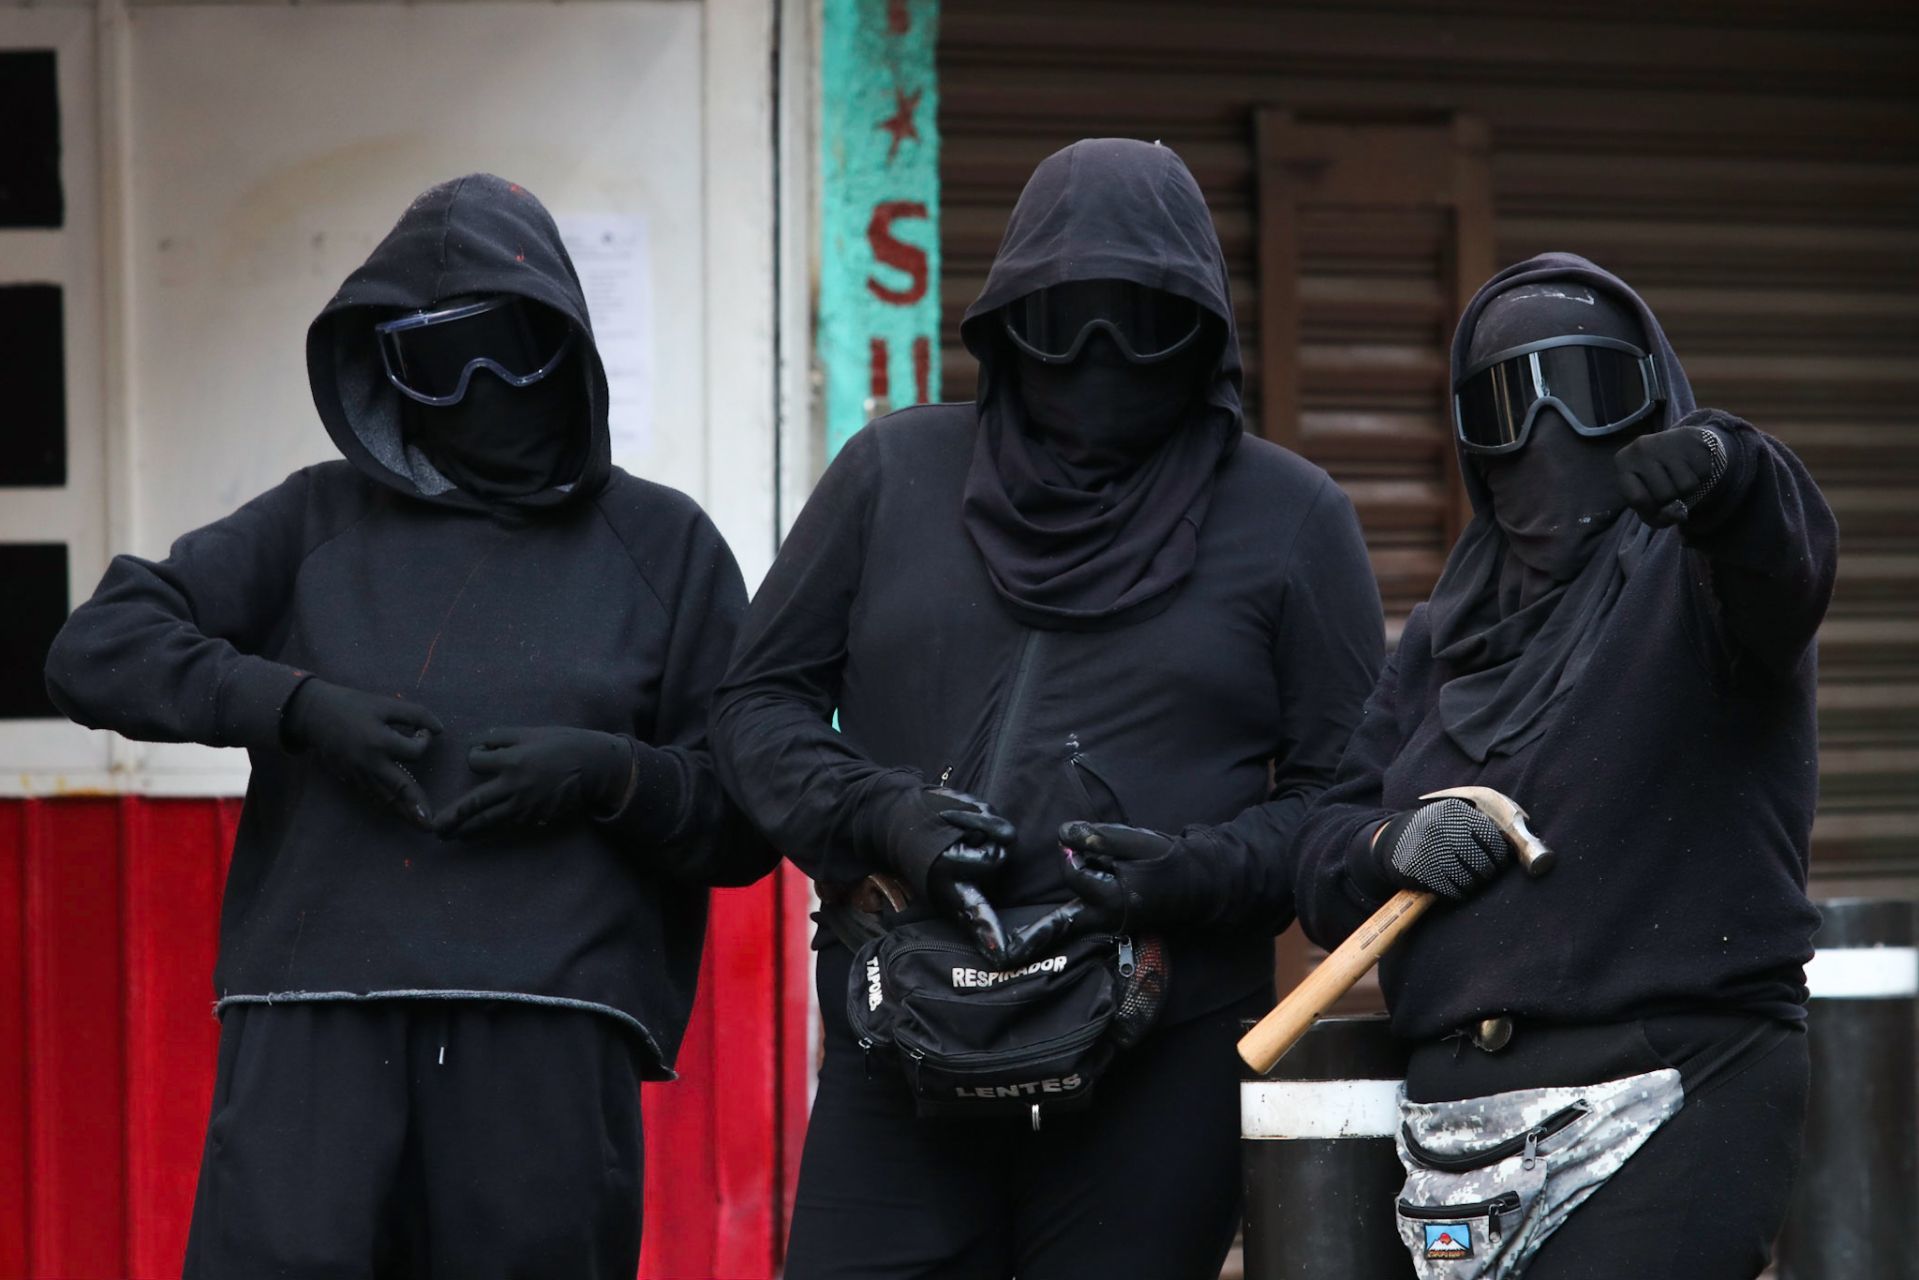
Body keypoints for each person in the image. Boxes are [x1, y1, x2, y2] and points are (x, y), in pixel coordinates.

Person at [44, 173, 773, 1279]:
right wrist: (294, 707)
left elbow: (743, 813)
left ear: (564, 346)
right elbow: (93, 647)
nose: (479, 386)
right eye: (437, 358)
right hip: (312, 1025)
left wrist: (609, 776)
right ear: (383, 370)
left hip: (546, 1034)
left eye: (505, 347)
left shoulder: (662, 547)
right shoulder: (311, 520)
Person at [711, 138, 1384, 1279]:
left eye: (1140, 322)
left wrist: (1193, 868)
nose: (1099, 359)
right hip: (905, 1042)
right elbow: (753, 706)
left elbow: (1352, 798)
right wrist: (880, 814)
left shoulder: (1289, 516)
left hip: (1156, 1059)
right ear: (1006, 321)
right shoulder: (891, 475)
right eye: (1064, 319)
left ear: (1201, 333)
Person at [1291, 253, 1835, 1279]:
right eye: (1505, 401)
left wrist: (1727, 469)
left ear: (1647, 395)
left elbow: (1787, 557)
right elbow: (1317, 842)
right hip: (1454, 1138)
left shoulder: (1703, 582)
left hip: (1673, 1092)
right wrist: (1384, 841)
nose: (1547, 430)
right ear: (1469, 441)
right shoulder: (1444, 636)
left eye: (1588, 390)